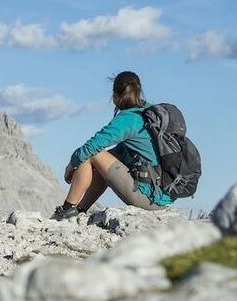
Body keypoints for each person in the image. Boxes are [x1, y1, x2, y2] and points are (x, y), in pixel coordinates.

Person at [52, 71, 174, 220]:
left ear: (115, 95)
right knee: (101, 159)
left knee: (91, 154)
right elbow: (119, 154)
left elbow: (90, 148)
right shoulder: (149, 113)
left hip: (149, 197)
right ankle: (79, 210)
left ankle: (66, 210)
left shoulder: (128, 119)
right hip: (162, 194)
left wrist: (70, 166)